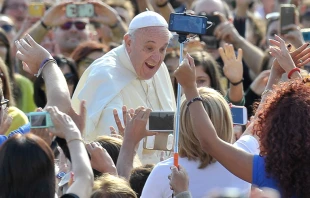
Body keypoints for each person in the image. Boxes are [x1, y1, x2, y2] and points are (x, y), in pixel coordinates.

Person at [173, 35, 310, 197]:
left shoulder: (268, 171)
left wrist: (190, 88)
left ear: (273, 128)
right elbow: (304, 110)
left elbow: (210, 143)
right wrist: (290, 74)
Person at [72, 11, 176, 162]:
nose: (157, 58)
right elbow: (111, 145)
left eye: (162, 49)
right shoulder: (105, 74)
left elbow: (165, 127)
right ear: (128, 43)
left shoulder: (160, 69)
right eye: (149, 48)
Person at [141, 87, 258, 197]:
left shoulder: (164, 172)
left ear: (180, 124)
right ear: (228, 122)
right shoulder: (245, 156)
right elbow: (259, 119)